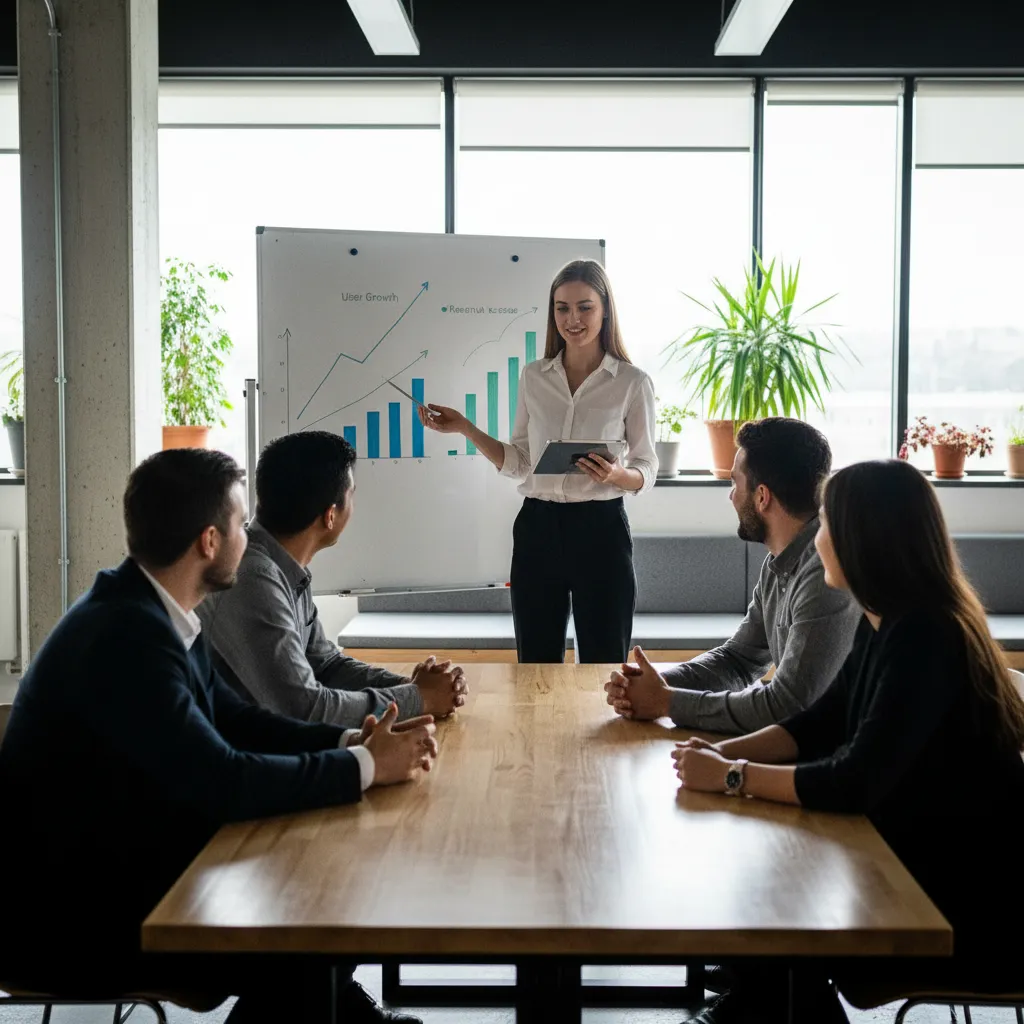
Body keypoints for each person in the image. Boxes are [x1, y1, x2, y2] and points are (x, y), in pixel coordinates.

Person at [0, 448, 438, 1023]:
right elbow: (222, 779)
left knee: (320, 902)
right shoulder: (127, 637)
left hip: (123, 869)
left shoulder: (151, 608)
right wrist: (366, 768)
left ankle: (345, 1015)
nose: (250, 538)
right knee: (306, 919)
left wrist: (352, 745)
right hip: (77, 920)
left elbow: (237, 720)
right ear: (209, 541)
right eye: (240, 526)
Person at [672, 459, 1024, 1023]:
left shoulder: (925, 638)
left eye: (828, 526)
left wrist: (733, 779)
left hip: (959, 909)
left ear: (863, 539)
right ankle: (756, 1003)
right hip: (905, 861)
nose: (819, 541)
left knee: (780, 898)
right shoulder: (887, 617)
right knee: (771, 883)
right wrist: (724, 756)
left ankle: (759, 1007)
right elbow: (819, 723)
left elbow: (853, 780)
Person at [419, 259, 658, 664]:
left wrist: (619, 475)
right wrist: (466, 429)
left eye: (584, 307)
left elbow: (647, 467)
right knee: (535, 661)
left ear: (605, 310)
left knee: (604, 662)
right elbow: (520, 461)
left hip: (601, 531)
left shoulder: (632, 382)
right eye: (562, 308)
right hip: (537, 529)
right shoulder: (533, 377)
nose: (573, 319)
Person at [605, 417, 861, 733]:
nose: (731, 497)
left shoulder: (825, 574)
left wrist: (667, 702)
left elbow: (789, 705)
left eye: (734, 483)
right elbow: (738, 660)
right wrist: (656, 684)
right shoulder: (779, 563)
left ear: (762, 496)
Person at [199, 430, 467, 728]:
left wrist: (414, 687)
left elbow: (325, 665)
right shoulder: (253, 578)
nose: (354, 505)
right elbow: (306, 709)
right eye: (352, 495)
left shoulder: (282, 567)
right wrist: (419, 698)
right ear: (330, 516)